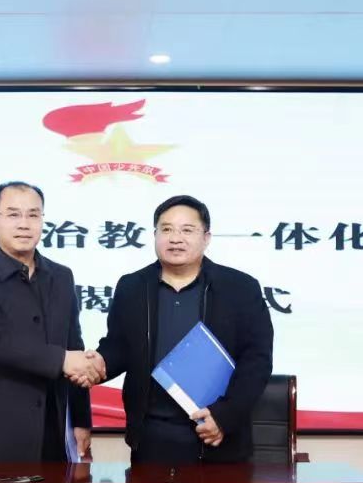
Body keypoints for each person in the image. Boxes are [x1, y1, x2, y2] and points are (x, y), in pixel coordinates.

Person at [89, 194, 273, 464]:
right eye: (166, 229)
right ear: (155, 235)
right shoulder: (132, 286)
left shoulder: (240, 288)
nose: (175, 238)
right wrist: (97, 363)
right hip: (150, 436)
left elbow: (257, 360)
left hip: (214, 432)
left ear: (206, 238)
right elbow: (120, 347)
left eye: (187, 230)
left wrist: (225, 416)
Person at [0, 181, 100, 462]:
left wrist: (81, 419)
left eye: (33, 214)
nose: (24, 224)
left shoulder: (61, 276)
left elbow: (74, 346)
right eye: (13, 214)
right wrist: (61, 360)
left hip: (53, 429)